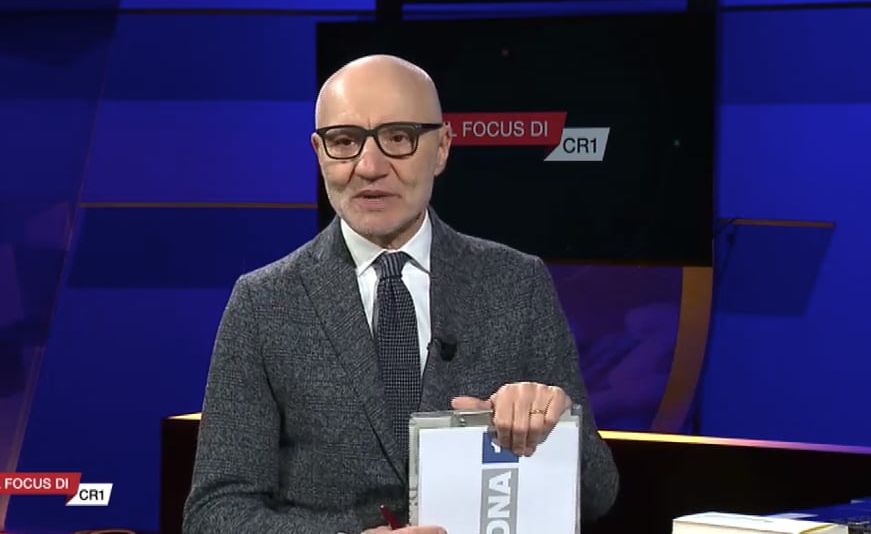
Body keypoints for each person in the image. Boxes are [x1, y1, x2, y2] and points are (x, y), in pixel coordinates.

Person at [182, 54, 619, 534]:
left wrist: (553, 425)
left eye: (398, 138)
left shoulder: (516, 284)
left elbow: (598, 492)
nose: (369, 167)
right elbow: (214, 513)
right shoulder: (263, 303)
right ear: (319, 152)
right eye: (344, 141)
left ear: (442, 148)